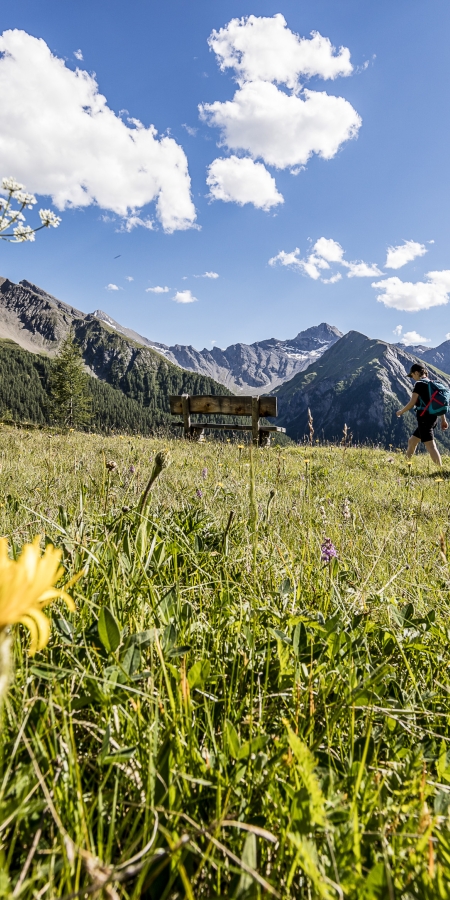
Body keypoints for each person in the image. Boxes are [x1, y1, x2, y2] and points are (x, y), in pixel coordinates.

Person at [396, 363, 448, 466]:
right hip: (432, 418)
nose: (413, 378)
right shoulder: (432, 384)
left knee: (431, 446)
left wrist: (401, 411)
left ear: (416, 373)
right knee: (412, 441)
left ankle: (440, 469)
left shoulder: (419, 384)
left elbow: (412, 402)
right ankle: (406, 464)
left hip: (424, 419)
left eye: (412, 375)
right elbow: (438, 403)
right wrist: (443, 419)